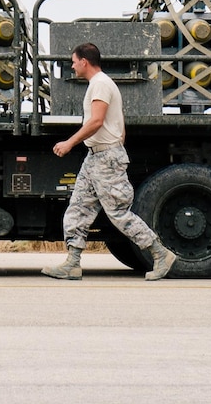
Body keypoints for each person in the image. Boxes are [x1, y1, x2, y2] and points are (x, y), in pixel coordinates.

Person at [42, 42, 176, 281]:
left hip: (105, 158)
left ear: (84, 61)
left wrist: (69, 143)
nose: (72, 66)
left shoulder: (101, 84)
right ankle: (72, 263)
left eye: (74, 62)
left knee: (118, 213)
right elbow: (118, 123)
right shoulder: (99, 84)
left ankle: (160, 253)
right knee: (78, 209)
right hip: (96, 158)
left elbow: (96, 121)